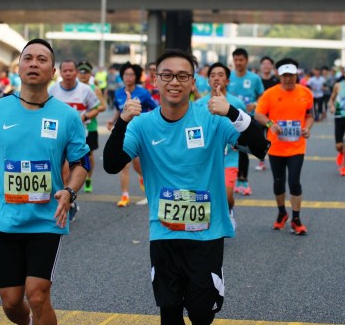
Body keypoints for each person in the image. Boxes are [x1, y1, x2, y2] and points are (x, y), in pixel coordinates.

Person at [103, 48, 268, 325]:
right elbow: (111, 163)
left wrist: (232, 113)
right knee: (169, 314)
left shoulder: (213, 118)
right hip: (164, 233)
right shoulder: (142, 125)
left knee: (201, 314)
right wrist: (122, 121)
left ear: (193, 82)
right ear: (155, 80)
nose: (174, 82)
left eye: (182, 76)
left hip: (207, 235)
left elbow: (260, 147)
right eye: (167, 75)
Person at [0, 38, 90, 325]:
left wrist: (69, 191)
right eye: (28, 58)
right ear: (18, 67)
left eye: (42, 59)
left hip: (47, 219)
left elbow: (81, 165)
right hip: (7, 218)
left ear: (52, 71)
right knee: (11, 301)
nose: (33, 63)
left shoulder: (67, 116)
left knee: (37, 294)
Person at [255, 59, 314, 235]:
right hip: (276, 146)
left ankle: (296, 219)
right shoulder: (270, 94)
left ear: (297, 76)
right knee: (278, 181)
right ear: (279, 77)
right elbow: (258, 114)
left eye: (291, 75)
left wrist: (307, 128)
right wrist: (270, 124)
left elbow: (310, 115)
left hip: (297, 146)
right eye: (284, 76)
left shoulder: (305, 93)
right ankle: (282, 213)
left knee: (294, 181)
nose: (288, 79)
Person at [196, 62, 246, 230]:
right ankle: (209, 226)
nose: (216, 78)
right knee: (206, 195)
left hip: (229, 157)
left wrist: (238, 143)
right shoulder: (199, 104)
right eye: (212, 75)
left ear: (227, 81)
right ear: (208, 80)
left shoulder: (237, 103)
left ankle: (229, 210)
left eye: (220, 75)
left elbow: (246, 129)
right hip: (205, 158)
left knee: (226, 194)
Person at [48, 59, 100, 221]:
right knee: (63, 173)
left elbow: (97, 108)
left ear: (76, 72)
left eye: (71, 70)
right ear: (60, 72)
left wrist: (84, 116)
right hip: (56, 136)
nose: (68, 73)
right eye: (65, 71)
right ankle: (69, 203)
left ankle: (69, 199)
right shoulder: (52, 89)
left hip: (78, 136)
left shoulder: (86, 90)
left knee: (75, 169)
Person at [106, 62, 157, 207]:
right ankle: (125, 195)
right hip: (124, 132)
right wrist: (112, 121)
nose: (128, 77)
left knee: (138, 165)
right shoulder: (118, 93)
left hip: (140, 133)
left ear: (136, 77)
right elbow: (119, 110)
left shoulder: (143, 93)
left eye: (131, 75)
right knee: (124, 165)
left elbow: (155, 109)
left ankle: (143, 179)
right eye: (125, 74)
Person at [228, 48, 264, 195]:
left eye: (241, 60)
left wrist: (255, 104)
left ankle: (244, 181)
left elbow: (262, 96)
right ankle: (232, 180)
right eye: (236, 60)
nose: (238, 63)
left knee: (243, 150)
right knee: (231, 150)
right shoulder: (228, 77)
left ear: (246, 61)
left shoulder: (254, 78)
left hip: (248, 119)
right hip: (230, 119)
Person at [77, 61, 106, 193]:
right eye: (81, 71)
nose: (83, 74)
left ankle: (88, 179)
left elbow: (103, 106)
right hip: (75, 127)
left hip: (90, 127)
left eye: (86, 72)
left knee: (89, 155)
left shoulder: (95, 89)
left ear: (90, 74)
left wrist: (90, 110)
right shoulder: (73, 88)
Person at [255, 56, 280, 171]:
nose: (266, 66)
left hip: (273, 116)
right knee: (260, 138)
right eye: (264, 64)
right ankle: (262, 161)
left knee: (274, 137)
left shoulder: (277, 81)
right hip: (260, 115)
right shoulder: (257, 80)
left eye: (268, 64)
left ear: (272, 66)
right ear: (261, 66)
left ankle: (278, 160)